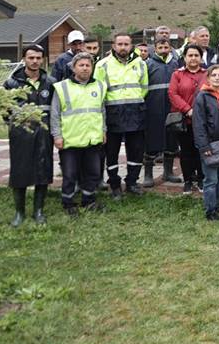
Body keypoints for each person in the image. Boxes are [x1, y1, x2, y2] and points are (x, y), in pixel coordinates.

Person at [4, 45, 56, 225]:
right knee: (20, 171)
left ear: (43, 59)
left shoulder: (50, 82)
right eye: (31, 58)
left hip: (44, 133)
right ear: (24, 58)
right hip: (21, 133)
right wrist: (16, 126)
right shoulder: (11, 83)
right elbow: (5, 111)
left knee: (43, 170)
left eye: (38, 58)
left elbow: (55, 109)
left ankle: (38, 211)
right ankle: (19, 213)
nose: (35, 61)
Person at [50, 52, 106, 216]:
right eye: (81, 65)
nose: (85, 68)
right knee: (70, 174)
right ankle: (68, 203)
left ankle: (89, 201)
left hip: (92, 139)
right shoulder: (62, 87)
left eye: (88, 65)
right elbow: (55, 114)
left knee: (93, 172)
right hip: (70, 140)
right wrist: (57, 135)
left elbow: (102, 111)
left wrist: (103, 131)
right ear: (73, 68)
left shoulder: (99, 86)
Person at [95, 33, 148, 199]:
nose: (123, 47)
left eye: (126, 44)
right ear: (113, 45)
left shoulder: (140, 63)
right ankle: (115, 185)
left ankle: (132, 182)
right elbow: (98, 91)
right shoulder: (102, 65)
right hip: (113, 113)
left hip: (135, 112)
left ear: (132, 45)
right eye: (120, 44)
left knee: (136, 150)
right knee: (111, 152)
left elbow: (144, 87)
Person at [193, 65, 219, 220]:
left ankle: (218, 204)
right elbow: (199, 124)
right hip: (210, 145)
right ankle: (210, 210)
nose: (217, 78)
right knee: (211, 180)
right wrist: (203, 146)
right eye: (214, 75)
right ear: (208, 78)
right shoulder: (202, 97)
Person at [168, 45, 208, 193]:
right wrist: (188, 110)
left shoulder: (206, 74)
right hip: (185, 120)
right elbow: (173, 94)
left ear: (200, 57)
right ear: (184, 57)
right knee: (186, 151)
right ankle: (188, 180)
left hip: (203, 121)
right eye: (190, 55)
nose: (193, 58)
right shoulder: (177, 74)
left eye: (196, 55)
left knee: (201, 150)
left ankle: (201, 179)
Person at [144, 37, 181, 186]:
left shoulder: (175, 64)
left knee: (171, 141)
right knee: (152, 142)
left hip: (171, 110)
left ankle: (168, 172)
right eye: (161, 48)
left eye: (166, 47)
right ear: (155, 48)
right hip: (153, 109)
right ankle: (148, 175)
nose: (164, 50)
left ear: (170, 48)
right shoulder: (148, 64)